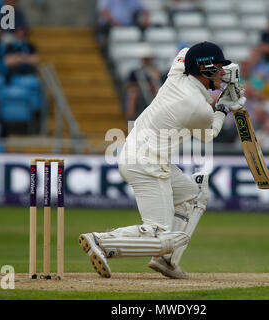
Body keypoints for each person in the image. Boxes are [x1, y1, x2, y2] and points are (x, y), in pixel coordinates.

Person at [79, 42, 246, 279]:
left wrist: (224, 74)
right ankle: (100, 241)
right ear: (205, 69)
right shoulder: (197, 108)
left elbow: (186, 53)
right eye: (219, 67)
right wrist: (224, 109)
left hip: (142, 155)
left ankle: (166, 261)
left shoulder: (178, 72)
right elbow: (208, 133)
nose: (223, 72)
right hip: (146, 164)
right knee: (159, 233)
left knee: (194, 195)